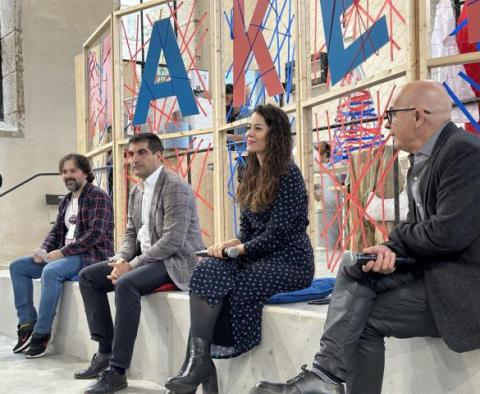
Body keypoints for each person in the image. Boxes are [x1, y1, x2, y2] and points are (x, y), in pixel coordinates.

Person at [249, 80, 480, 394]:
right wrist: (387, 248)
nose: (387, 125)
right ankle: (325, 376)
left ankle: (325, 378)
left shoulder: (464, 151)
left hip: (463, 285)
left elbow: (448, 233)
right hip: (435, 271)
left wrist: (398, 241)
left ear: (417, 116)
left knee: (363, 319)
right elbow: (421, 229)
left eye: (391, 116)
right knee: (355, 265)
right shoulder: (420, 163)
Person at [164, 104, 315, 394]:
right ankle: (198, 366)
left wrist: (240, 250)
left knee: (234, 286)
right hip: (257, 255)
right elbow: (247, 231)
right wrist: (228, 244)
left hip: (290, 261)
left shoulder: (289, 174)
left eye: (258, 128)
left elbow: (277, 234)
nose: (249, 134)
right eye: (249, 127)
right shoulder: (249, 171)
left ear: (275, 135)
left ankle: (200, 372)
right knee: (208, 271)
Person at [76, 133, 204, 394]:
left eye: (141, 153)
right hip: (145, 258)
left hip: (175, 261)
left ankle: (117, 371)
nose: (134, 159)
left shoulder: (175, 186)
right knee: (88, 276)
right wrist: (121, 258)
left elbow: (173, 241)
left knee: (126, 283)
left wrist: (131, 265)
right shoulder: (136, 190)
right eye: (131, 154)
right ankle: (105, 351)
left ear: (159, 156)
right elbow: (131, 234)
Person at [9, 154, 114, 358]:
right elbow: (56, 231)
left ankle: (42, 333)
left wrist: (63, 252)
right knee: (17, 267)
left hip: (90, 255)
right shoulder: (67, 200)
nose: (68, 175)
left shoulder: (97, 196)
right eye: (64, 172)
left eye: (72, 171)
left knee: (51, 271)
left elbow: (96, 234)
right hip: (65, 256)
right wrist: (44, 251)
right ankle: (27, 324)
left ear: (85, 172)